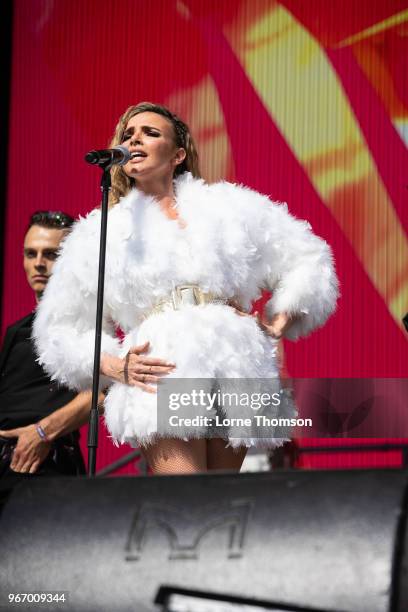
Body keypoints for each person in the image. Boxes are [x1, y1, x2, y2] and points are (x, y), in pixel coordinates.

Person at [33, 102, 339, 475]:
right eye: (128, 135)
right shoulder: (102, 230)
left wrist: (280, 321)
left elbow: (309, 257)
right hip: (162, 364)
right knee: (184, 499)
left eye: (150, 133)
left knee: (222, 505)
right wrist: (114, 366)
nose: (135, 140)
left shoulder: (230, 206)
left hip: (235, 362)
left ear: (178, 154)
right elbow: (59, 327)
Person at [0, 211, 95, 483]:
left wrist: (43, 432)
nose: (39, 263)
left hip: (43, 463)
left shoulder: (82, 320)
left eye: (51, 254)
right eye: (31, 254)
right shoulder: (17, 328)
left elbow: (104, 388)